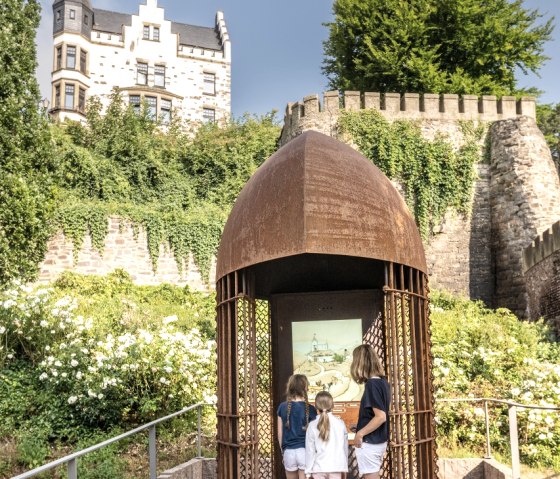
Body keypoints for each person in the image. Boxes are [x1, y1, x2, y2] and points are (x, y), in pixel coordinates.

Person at [350, 344, 391, 479]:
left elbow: (380, 417)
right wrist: (361, 426)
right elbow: (377, 414)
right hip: (379, 440)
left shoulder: (372, 384)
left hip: (370, 443)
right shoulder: (382, 382)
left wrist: (360, 433)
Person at [278, 374, 318, 479]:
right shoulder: (311, 409)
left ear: (290, 387)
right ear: (305, 388)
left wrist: (283, 451)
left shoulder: (282, 407)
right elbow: (314, 434)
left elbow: (280, 433)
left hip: (288, 451)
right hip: (305, 451)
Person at [305, 391, 348, 479]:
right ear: (332, 405)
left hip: (319, 468)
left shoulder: (312, 425)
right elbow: (344, 448)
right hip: (336, 467)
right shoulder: (340, 424)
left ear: (316, 406)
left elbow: (310, 451)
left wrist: (308, 472)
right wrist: (344, 468)